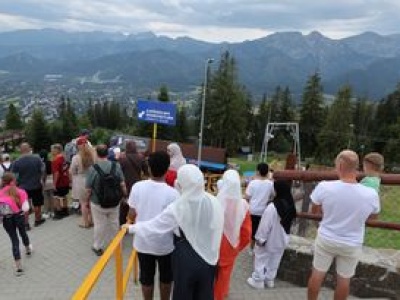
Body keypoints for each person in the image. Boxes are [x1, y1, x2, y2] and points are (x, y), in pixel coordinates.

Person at [123, 164, 224, 300]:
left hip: (186, 258)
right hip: (209, 257)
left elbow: (156, 226)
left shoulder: (179, 205)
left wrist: (131, 228)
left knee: (183, 293)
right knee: (204, 294)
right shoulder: (213, 201)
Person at [307, 150, 380, 300]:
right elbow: (373, 216)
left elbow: (314, 211)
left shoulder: (324, 186)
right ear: (356, 167)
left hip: (326, 237)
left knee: (317, 274)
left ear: (340, 165)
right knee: (344, 280)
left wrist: (323, 219)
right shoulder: (370, 194)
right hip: (352, 242)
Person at [126, 151, 179, 300]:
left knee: (146, 278)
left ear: (148, 168)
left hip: (143, 242)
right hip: (165, 244)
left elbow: (131, 214)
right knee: (166, 278)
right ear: (167, 169)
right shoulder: (173, 194)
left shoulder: (137, 187)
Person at [247, 180, 296, 289]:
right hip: (283, 238)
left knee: (260, 257)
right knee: (275, 259)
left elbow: (265, 226)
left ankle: (258, 280)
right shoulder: (291, 205)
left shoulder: (272, 207)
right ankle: (270, 279)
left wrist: (260, 239)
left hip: (269, 239)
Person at [214, 170, 251, 300]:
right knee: (224, 278)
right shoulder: (244, 206)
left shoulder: (214, 202)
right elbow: (246, 234)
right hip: (230, 247)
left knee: (209, 277)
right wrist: (237, 246)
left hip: (212, 246)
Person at [86, 144, 127, 256]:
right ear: (107, 153)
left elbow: (88, 189)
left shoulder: (92, 169)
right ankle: (117, 245)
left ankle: (97, 246)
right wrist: (125, 195)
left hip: (98, 202)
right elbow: (122, 184)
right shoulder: (116, 166)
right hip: (114, 201)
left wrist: (86, 201)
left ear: (96, 154)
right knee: (114, 223)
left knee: (100, 225)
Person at [0, 172, 32, 276]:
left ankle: (18, 267)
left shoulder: (0, 193)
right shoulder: (20, 191)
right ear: (13, 180)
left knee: (14, 240)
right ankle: (27, 249)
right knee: (23, 233)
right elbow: (26, 208)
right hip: (19, 216)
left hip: (6, 219)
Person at [12, 142, 46, 229]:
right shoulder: (37, 158)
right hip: (36, 185)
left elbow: (14, 176)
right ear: (29, 149)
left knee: (25, 205)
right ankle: (37, 220)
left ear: (21, 150)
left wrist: (15, 187)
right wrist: (42, 180)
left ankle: (26, 224)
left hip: (23, 187)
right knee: (37, 204)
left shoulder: (17, 161)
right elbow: (43, 170)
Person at [244, 162, 274, 254]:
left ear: (257, 171)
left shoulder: (253, 183)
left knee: (252, 230)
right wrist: (267, 201)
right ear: (267, 172)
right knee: (260, 230)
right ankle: (258, 249)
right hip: (263, 211)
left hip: (252, 210)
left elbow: (247, 197)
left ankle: (251, 249)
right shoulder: (270, 184)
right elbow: (273, 196)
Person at [118, 140, 145, 225]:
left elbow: (118, 172)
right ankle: (132, 223)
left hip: (125, 184)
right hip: (137, 184)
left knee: (124, 205)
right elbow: (146, 170)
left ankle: (123, 224)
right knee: (134, 204)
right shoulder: (141, 157)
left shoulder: (122, 158)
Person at [70, 137, 95, 228]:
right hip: (92, 179)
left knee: (83, 203)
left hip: (81, 181)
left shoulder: (76, 157)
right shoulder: (92, 156)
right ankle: (92, 220)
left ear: (78, 146)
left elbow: (72, 171)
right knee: (91, 201)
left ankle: (85, 222)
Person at [51, 144, 70, 220]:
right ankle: (65, 211)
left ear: (57, 150)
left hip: (59, 182)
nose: (51, 151)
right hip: (65, 180)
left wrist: (54, 184)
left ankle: (58, 213)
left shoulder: (55, 160)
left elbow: (56, 173)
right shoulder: (64, 159)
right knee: (64, 196)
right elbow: (67, 170)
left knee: (56, 197)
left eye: (52, 149)